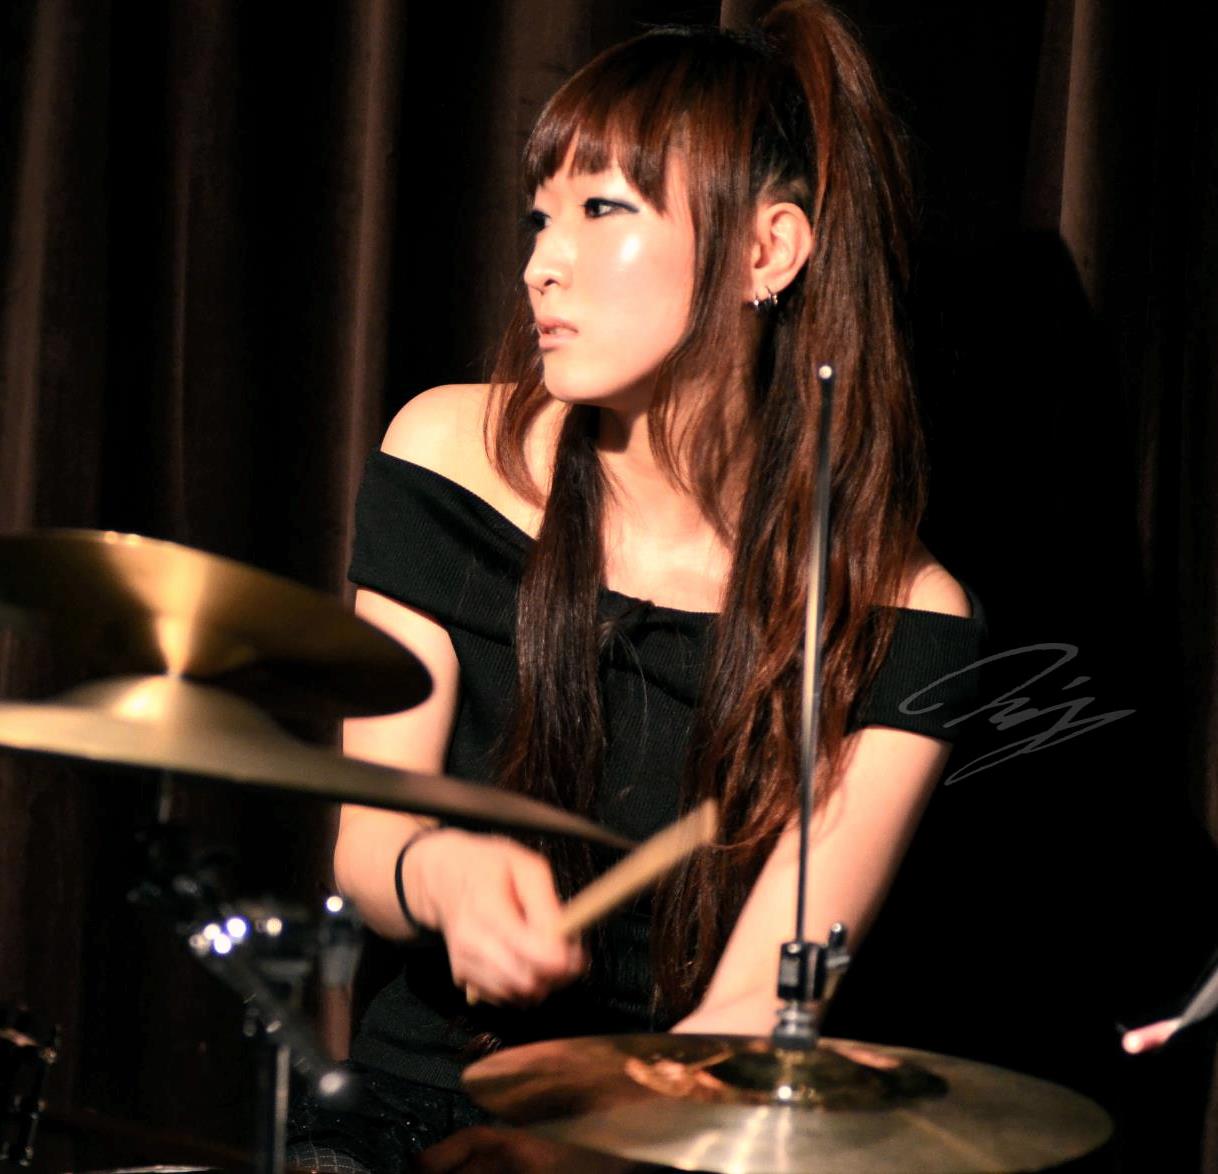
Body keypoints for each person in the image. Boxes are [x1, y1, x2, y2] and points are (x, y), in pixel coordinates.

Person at [288, 2, 988, 1169]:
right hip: (408, 1108)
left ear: (768, 251)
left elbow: (752, 1007)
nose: (540, 263)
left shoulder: (896, 613)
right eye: (539, 216)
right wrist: (442, 871)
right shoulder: (447, 455)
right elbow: (367, 844)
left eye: (601, 209)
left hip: (664, 1136)